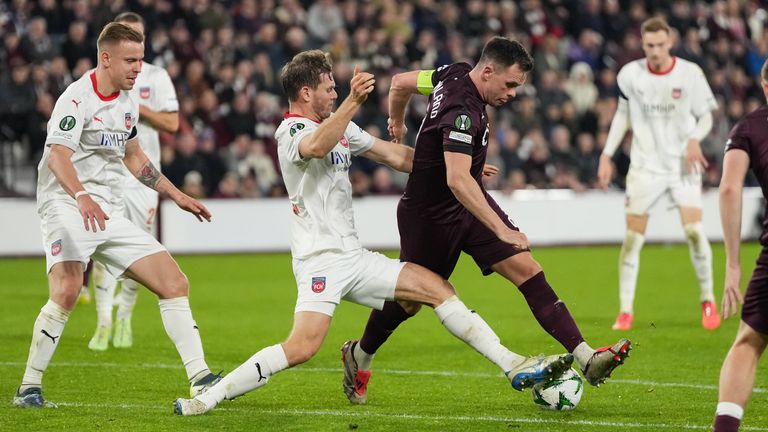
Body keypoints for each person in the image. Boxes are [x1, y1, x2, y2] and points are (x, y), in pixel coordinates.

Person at [172, 50, 573, 416]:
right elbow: (314, 147)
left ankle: (513, 365)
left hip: (355, 256)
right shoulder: (289, 132)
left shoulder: (341, 128)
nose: (335, 92)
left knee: (438, 289)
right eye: (330, 88)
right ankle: (210, 396)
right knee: (302, 347)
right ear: (306, 92)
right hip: (320, 261)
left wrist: (460, 161)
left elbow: (396, 155)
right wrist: (352, 102)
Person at [342, 36, 631, 405]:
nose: (512, 94)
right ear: (489, 70)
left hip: (466, 205)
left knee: (527, 268)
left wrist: (396, 123)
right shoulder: (462, 107)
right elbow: (456, 179)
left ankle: (586, 357)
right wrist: (501, 228)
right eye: (510, 85)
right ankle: (359, 355)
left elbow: (399, 83)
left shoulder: (453, 71)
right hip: (430, 217)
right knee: (410, 301)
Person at [13, 22, 219, 408]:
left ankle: (201, 377)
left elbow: (135, 157)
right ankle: (29, 387)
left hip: (106, 209)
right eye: (130, 60)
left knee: (174, 282)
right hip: (65, 204)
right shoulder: (75, 98)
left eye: (141, 60)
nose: (138, 68)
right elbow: (57, 155)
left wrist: (177, 195)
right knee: (69, 288)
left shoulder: (127, 101)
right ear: (105, 58)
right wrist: (81, 195)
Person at [597, 17, 720, 331]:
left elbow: (707, 116)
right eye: (649, 45)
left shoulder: (690, 74)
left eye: (660, 45)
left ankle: (708, 300)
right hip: (644, 167)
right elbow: (622, 115)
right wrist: (607, 154)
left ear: (670, 42)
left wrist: (694, 139)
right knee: (633, 239)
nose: (655, 50)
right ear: (642, 44)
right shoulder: (630, 75)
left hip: (682, 166)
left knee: (694, 232)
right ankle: (625, 311)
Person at [87, 12, 181, 351]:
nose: (136, 62)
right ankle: (103, 322)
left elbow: (172, 124)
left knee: (139, 251)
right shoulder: (97, 80)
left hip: (143, 175)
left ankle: (124, 317)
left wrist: (136, 107)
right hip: (108, 176)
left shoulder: (155, 77)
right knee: (101, 247)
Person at [711, 59, 768, 432]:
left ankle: (725, 428)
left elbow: (730, 188)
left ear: (765, 86)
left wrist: (733, 262)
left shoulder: (749, 127)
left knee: (749, 342)